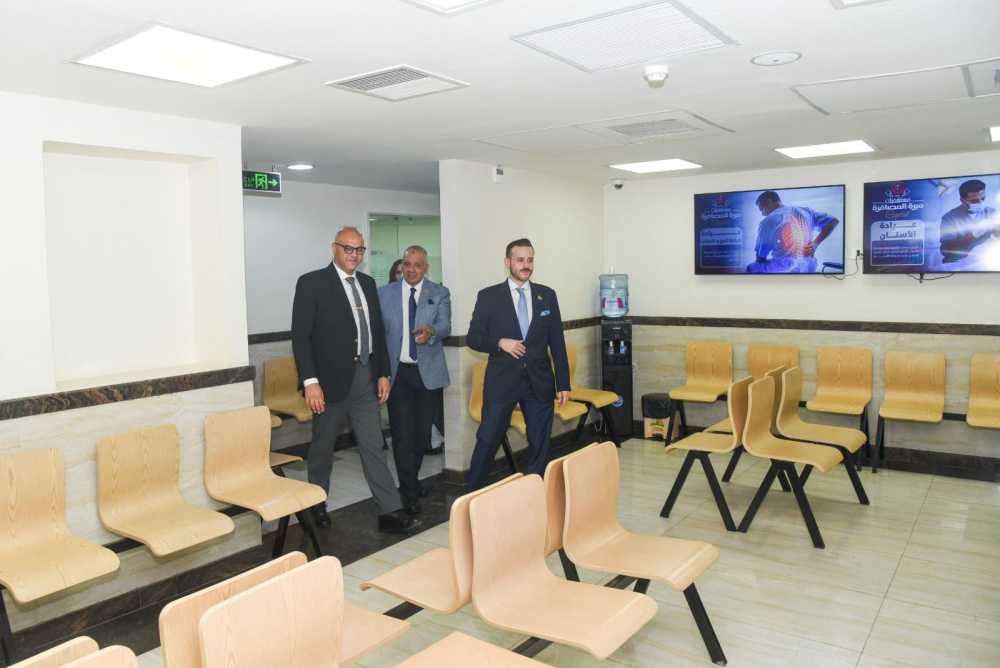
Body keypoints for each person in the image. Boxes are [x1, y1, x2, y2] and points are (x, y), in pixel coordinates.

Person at [291, 226, 421, 535]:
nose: (354, 255)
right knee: (323, 449)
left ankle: (390, 510)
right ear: (334, 248)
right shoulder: (312, 283)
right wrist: (310, 381)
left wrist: (383, 372)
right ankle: (316, 505)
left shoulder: (367, 283)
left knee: (374, 445)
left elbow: (377, 333)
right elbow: (301, 337)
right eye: (348, 248)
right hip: (329, 383)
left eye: (359, 249)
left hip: (366, 377)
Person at [466, 238, 570, 490]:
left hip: (539, 382)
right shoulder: (489, 296)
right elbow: (473, 338)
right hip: (502, 382)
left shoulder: (547, 295)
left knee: (540, 442)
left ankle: (534, 494)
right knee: (488, 438)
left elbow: (557, 342)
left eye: (530, 260)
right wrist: (499, 342)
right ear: (507, 262)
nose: (526, 265)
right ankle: (470, 496)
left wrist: (564, 383)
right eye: (520, 260)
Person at [377, 246, 451, 514]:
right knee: (401, 435)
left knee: (421, 437)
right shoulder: (384, 293)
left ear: (425, 268)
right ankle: (408, 490)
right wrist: (380, 373)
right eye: (407, 264)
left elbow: (445, 326)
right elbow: (378, 334)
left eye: (417, 265)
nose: (411, 270)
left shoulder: (439, 293)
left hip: (426, 374)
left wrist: (431, 332)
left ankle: (411, 480)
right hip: (398, 375)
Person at [746, 190, 839, 273]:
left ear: (769, 202)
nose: (763, 214)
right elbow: (833, 221)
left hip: (785, 268)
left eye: (762, 209)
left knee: (751, 268)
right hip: (809, 266)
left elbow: (760, 257)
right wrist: (815, 244)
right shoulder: (806, 211)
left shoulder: (767, 221)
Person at [939, 179, 1000, 265]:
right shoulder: (949, 218)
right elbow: (946, 249)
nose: (981, 203)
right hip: (958, 264)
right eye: (974, 201)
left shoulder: (990, 212)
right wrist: (972, 235)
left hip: (985, 261)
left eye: (983, 198)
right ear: (962, 200)